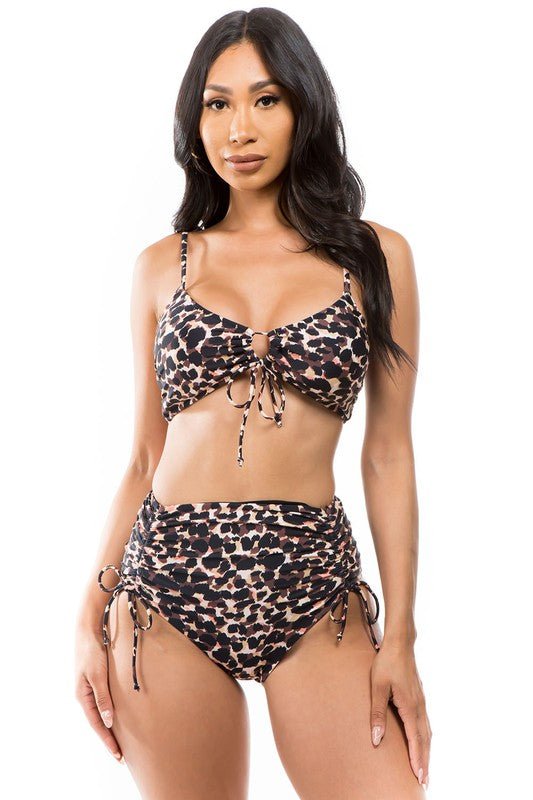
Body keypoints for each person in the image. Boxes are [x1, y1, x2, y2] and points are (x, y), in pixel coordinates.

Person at [75, 8, 431, 798]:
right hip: (165, 588)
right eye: (217, 103)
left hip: (314, 585)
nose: (239, 128)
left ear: (305, 108)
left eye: (265, 99)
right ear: (193, 121)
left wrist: (401, 638)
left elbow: (387, 453)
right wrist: (86, 618)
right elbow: (144, 455)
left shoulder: (376, 258)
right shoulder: (162, 266)